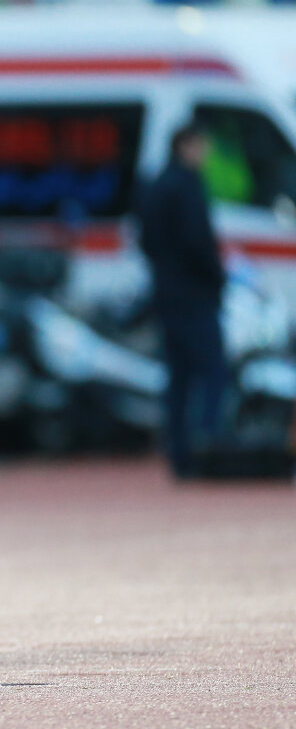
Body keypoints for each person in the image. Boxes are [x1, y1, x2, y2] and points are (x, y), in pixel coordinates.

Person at [136, 123, 228, 479]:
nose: (206, 154)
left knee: (177, 379)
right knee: (213, 372)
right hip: (194, 295)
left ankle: (179, 454)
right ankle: (209, 448)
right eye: (202, 146)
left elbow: (145, 240)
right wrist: (216, 277)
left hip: (166, 294)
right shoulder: (187, 185)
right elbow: (198, 241)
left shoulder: (157, 184)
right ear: (186, 146)